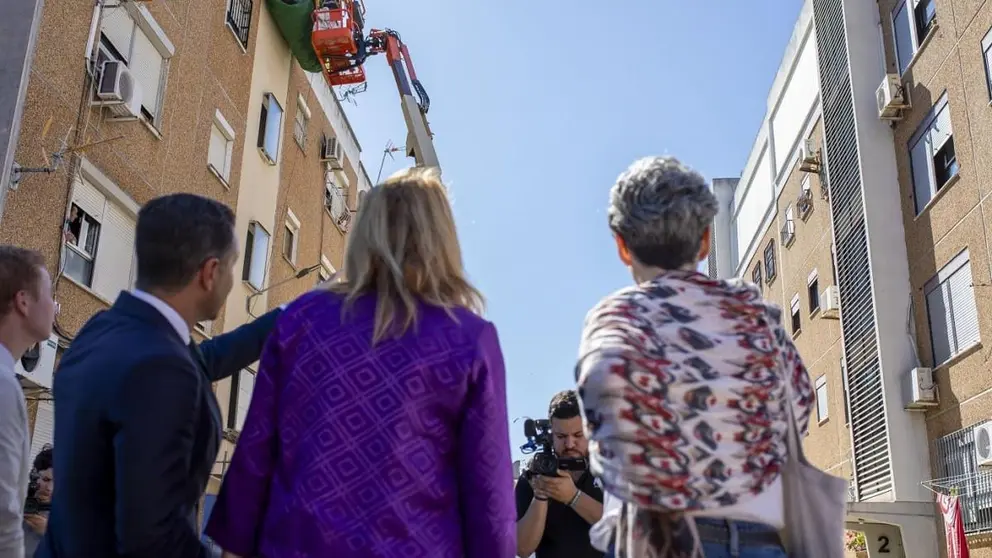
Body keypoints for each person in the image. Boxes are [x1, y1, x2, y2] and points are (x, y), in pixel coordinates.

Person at [204, 167, 517, 558]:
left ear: (364, 234)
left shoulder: (300, 321)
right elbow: (490, 499)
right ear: (442, 239)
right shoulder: (469, 339)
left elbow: (255, 459)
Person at [574, 156, 815, 558]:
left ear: (622, 246)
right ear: (704, 240)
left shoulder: (616, 318)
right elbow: (801, 406)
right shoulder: (751, 314)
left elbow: (603, 403)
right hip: (759, 536)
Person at [38, 193, 282, 558]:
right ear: (210, 272)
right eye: (232, 267)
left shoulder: (105, 331)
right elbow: (154, 541)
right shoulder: (163, 371)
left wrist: (287, 317)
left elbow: (203, 360)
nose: (232, 281)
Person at [0, 247, 56, 558]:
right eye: (49, 294)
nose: (55, 306)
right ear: (23, 301)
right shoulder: (4, 387)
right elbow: (2, 512)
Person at [515, 390, 604, 558]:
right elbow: (523, 549)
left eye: (578, 435)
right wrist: (540, 495)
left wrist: (573, 497)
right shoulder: (533, 476)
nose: (569, 444)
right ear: (551, 435)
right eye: (561, 436)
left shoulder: (611, 471)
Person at [23, 446, 53, 557]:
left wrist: (48, 533)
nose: (50, 488)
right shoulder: (15, 497)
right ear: (34, 474)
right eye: (46, 480)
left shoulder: (66, 514)